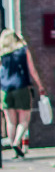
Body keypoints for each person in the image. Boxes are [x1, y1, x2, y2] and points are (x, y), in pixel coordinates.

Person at [0, 28, 46, 158]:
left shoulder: (2, 53)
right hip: (21, 87)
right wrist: (40, 85)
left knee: (10, 122)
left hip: (5, 90)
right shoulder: (23, 51)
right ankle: (16, 142)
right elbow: (32, 70)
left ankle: (15, 150)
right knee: (24, 120)